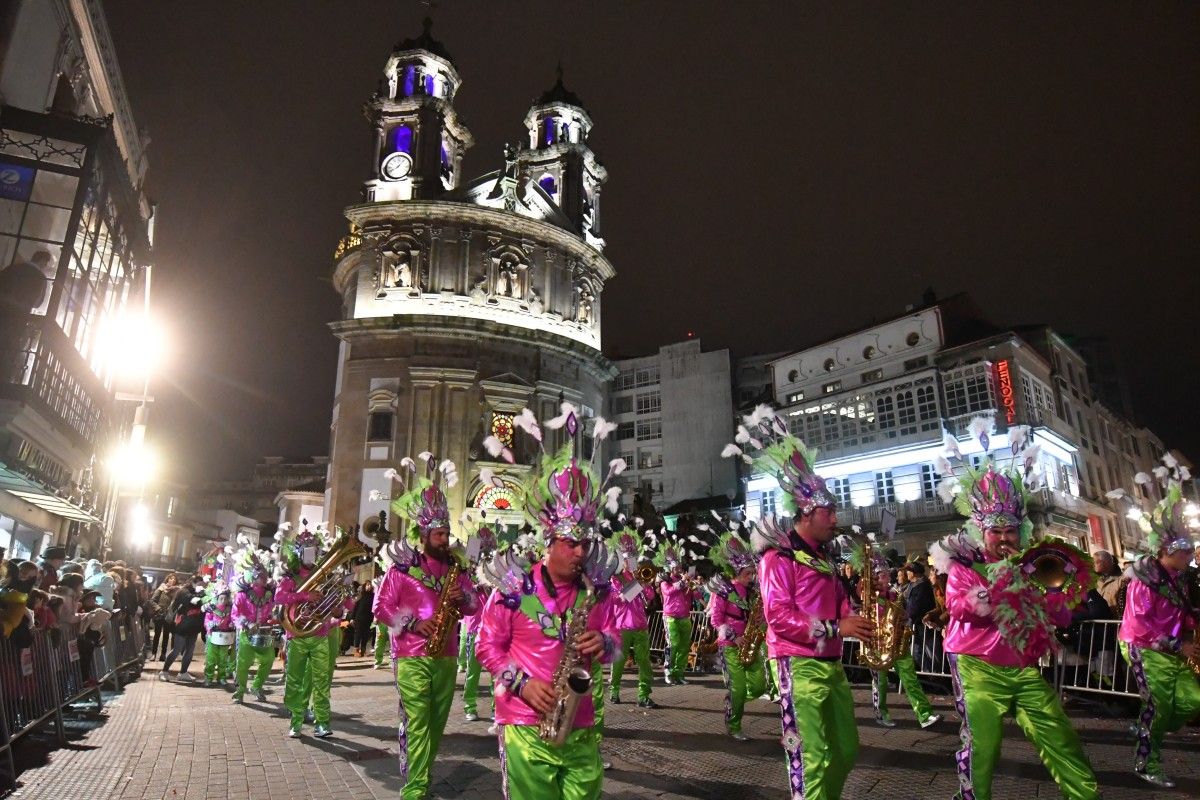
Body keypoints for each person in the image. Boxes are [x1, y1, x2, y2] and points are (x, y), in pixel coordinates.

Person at [931, 418, 1099, 800]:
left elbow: (1060, 617)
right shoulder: (964, 564)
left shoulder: (1034, 564)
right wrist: (1004, 580)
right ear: (981, 530)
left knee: (1061, 736)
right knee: (984, 747)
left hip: (1023, 668)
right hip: (976, 666)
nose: (1004, 538)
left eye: (1010, 530)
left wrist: (1044, 588)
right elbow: (962, 608)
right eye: (996, 531)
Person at [475, 406, 622, 800]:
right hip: (525, 721)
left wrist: (604, 643)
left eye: (585, 543)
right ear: (549, 541)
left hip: (580, 721)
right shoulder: (512, 587)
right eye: (571, 543)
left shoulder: (596, 589)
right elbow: (486, 646)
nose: (580, 552)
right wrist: (521, 684)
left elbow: (614, 639)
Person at [726, 407, 869, 800]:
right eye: (830, 511)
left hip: (832, 663)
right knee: (813, 757)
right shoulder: (778, 557)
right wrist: (839, 628)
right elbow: (778, 617)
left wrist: (854, 616)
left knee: (846, 750)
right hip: (796, 663)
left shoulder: (826, 559)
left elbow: (839, 603)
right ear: (807, 511)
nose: (835, 517)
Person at [373, 455, 479, 798]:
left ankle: (422, 771)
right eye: (439, 533)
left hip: (446, 656)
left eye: (447, 533)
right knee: (419, 722)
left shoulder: (456, 569)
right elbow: (380, 607)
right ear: (423, 534)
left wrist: (464, 597)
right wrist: (412, 623)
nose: (445, 539)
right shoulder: (402, 568)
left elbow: (475, 605)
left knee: (436, 724)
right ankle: (416, 787)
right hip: (412, 656)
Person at [1114, 465, 1200, 789]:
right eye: (1185, 550)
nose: (1190, 554)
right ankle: (1146, 762)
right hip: (1144, 648)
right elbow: (1139, 624)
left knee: (1193, 701)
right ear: (1167, 551)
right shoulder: (1144, 580)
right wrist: (1179, 645)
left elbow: (1179, 612)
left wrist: (1190, 623)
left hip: (1172, 649)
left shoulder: (1179, 577)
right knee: (1159, 706)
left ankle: (1148, 724)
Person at [850, 543, 941, 729]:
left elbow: (904, 613)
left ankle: (925, 715)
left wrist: (904, 619)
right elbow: (856, 602)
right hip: (877, 645)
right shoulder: (868, 596)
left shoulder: (893, 594)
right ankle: (881, 713)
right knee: (880, 683)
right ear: (874, 577)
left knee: (910, 678)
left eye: (886, 574)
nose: (887, 577)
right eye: (882, 575)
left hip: (897, 642)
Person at [276, 523, 352, 738]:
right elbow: (279, 598)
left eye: (315, 552)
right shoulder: (290, 578)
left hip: (320, 635)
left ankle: (322, 722)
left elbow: (340, 606)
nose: (313, 556)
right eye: (309, 552)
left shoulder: (325, 578)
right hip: (298, 636)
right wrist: (304, 596)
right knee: (295, 681)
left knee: (322, 682)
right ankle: (296, 721)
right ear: (299, 553)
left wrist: (338, 609)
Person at [707, 527, 767, 741]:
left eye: (752, 573)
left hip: (750, 642)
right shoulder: (723, 590)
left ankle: (734, 700)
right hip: (730, 645)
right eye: (747, 574)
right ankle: (734, 724)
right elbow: (716, 620)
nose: (751, 577)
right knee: (738, 687)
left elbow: (756, 615)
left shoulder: (752, 592)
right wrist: (734, 637)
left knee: (760, 686)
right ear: (737, 572)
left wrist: (759, 624)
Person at [607, 527, 658, 709]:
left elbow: (651, 597)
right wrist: (636, 585)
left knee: (644, 661)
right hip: (621, 625)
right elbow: (617, 598)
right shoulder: (616, 577)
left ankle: (644, 695)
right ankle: (614, 690)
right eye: (629, 558)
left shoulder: (640, 574)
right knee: (619, 661)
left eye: (634, 557)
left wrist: (645, 584)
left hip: (641, 625)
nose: (633, 561)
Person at [231, 549, 276, 703]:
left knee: (269, 659)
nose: (265, 578)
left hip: (263, 634)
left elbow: (271, 613)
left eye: (266, 575)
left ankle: (257, 686)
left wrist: (271, 620)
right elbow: (235, 615)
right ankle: (240, 691)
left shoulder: (269, 595)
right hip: (246, 634)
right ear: (254, 577)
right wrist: (247, 624)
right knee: (243, 664)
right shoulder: (242, 595)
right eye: (262, 576)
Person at [656, 541, 700, 686]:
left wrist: (694, 587)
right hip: (670, 617)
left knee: (684, 646)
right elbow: (668, 592)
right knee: (673, 644)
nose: (679, 569)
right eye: (676, 567)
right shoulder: (665, 581)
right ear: (670, 568)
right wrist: (683, 581)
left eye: (679, 566)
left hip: (685, 616)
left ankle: (679, 673)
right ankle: (668, 672)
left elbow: (695, 596)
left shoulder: (685, 581)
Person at [161, 576, 205, 681]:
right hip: (182, 624)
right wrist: (203, 594)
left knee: (189, 650)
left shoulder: (196, 591)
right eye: (200, 584)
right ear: (194, 582)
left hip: (194, 625)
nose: (202, 587)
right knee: (177, 650)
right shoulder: (183, 591)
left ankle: (183, 672)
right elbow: (193, 600)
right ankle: (164, 671)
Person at [203, 585, 235, 688]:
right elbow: (207, 621)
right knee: (211, 659)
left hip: (225, 637)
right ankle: (208, 677)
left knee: (223, 659)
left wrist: (231, 624)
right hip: (213, 636)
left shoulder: (230, 609)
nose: (223, 600)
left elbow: (232, 620)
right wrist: (212, 624)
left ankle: (221, 677)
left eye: (225, 598)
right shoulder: (212, 608)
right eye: (221, 598)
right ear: (217, 598)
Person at [149, 573, 179, 661]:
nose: (172, 580)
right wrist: (158, 608)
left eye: (174, 579)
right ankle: (154, 654)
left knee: (166, 636)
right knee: (157, 635)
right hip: (159, 615)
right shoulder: (161, 588)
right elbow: (152, 600)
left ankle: (163, 654)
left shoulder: (176, 591)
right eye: (171, 578)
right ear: (167, 579)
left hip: (169, 616)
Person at [351, 582, 375, 657]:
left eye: (370, 585)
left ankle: (363, 650)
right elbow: (355, 608)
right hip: (359, 618)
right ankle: (356, 650)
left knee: (366, 635)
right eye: (367, 585)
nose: (369, 586)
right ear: (364, 586)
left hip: (368, 618)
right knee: (358, 634)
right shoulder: (360, 595)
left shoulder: (373, 596)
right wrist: (352, 618)